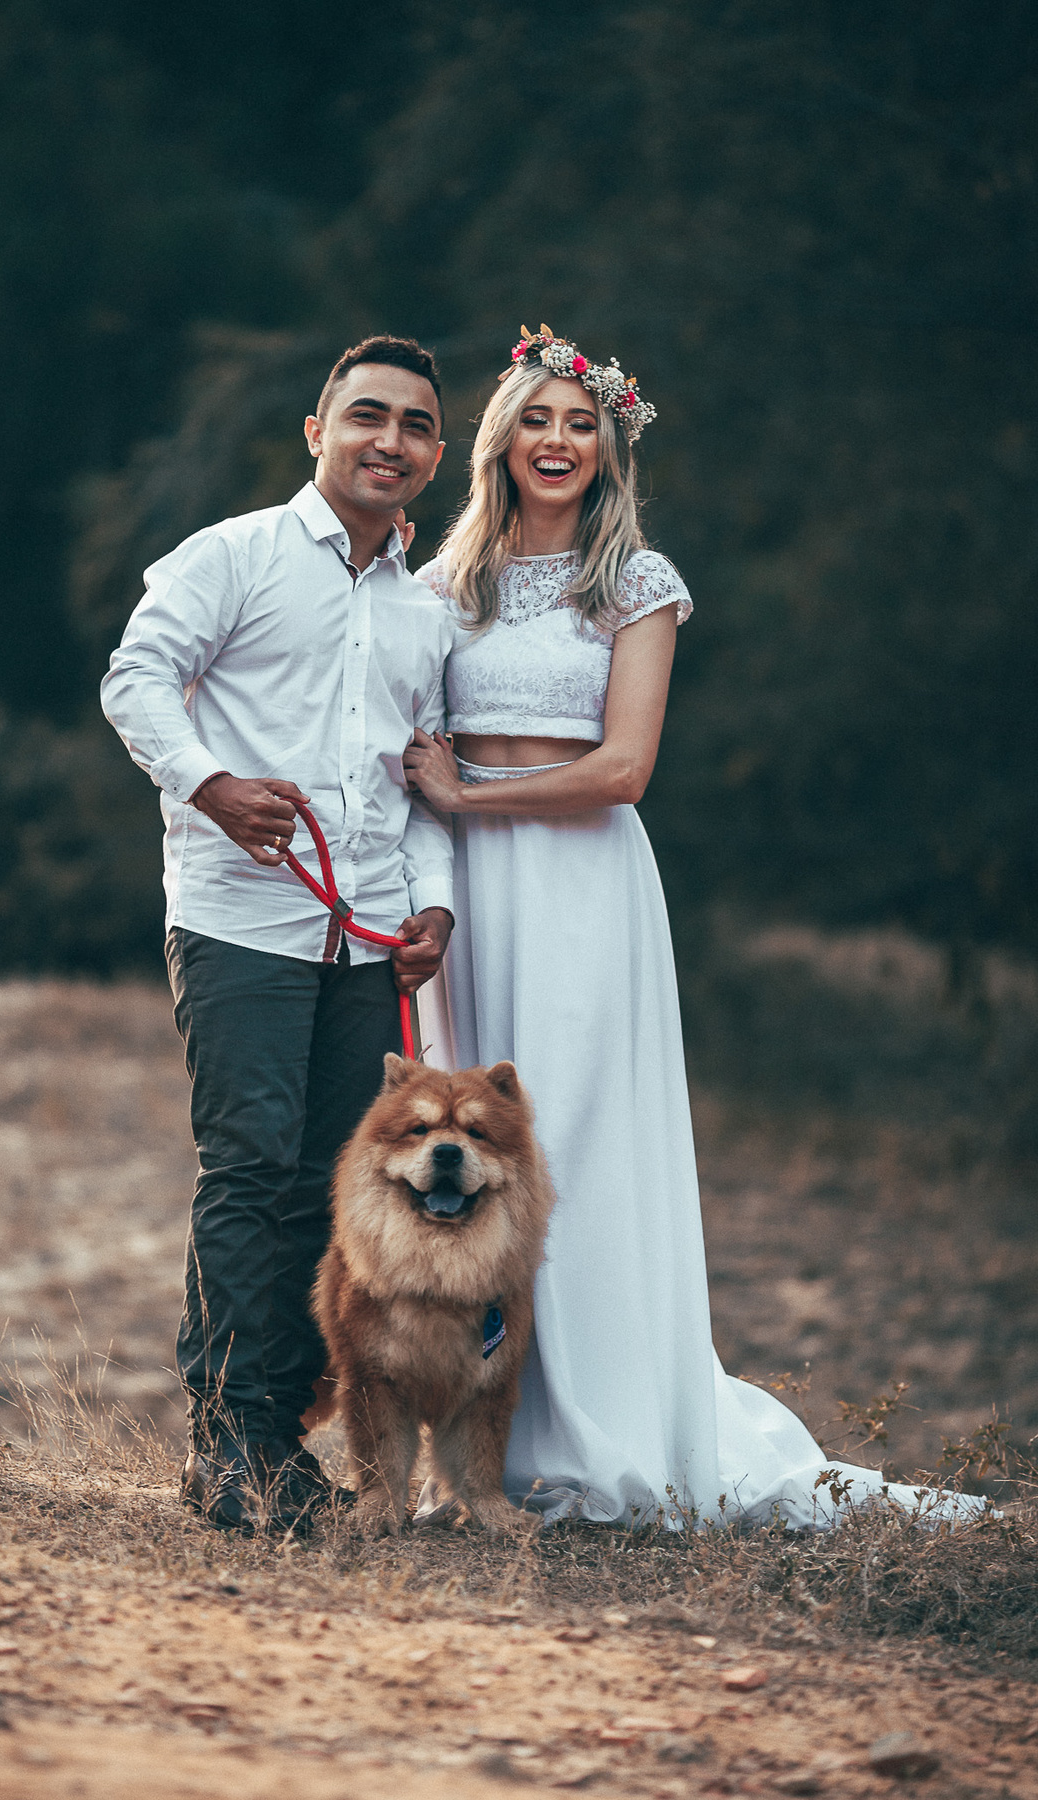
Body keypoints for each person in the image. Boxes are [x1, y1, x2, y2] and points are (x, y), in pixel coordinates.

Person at [403, 325, 982, 1529]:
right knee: (479, 1160)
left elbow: (624, 770)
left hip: (582, 895)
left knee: (579, 1143)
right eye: (538, 421)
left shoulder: (637, 584)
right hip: (473, 897)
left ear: (609, 448)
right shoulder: (438, 589)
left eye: (582, 425)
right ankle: (484, 1441)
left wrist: (473, 794)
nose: (558, 441)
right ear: (500, 440)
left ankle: (602, 1424)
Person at [102, 335, 457, 1531]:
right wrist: (210, 783)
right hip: (239, 920)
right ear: (319, 432)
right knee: (248, 1172)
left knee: (331, 1188)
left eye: (414, 425)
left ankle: (276, 1435)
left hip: (363, 947)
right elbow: (136, 677)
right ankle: (230, 1450)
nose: (389, 440)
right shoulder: (234, 555)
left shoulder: (424, 616)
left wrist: (435, 904)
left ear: (436, 455)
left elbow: (423, 783)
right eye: (367, 416)